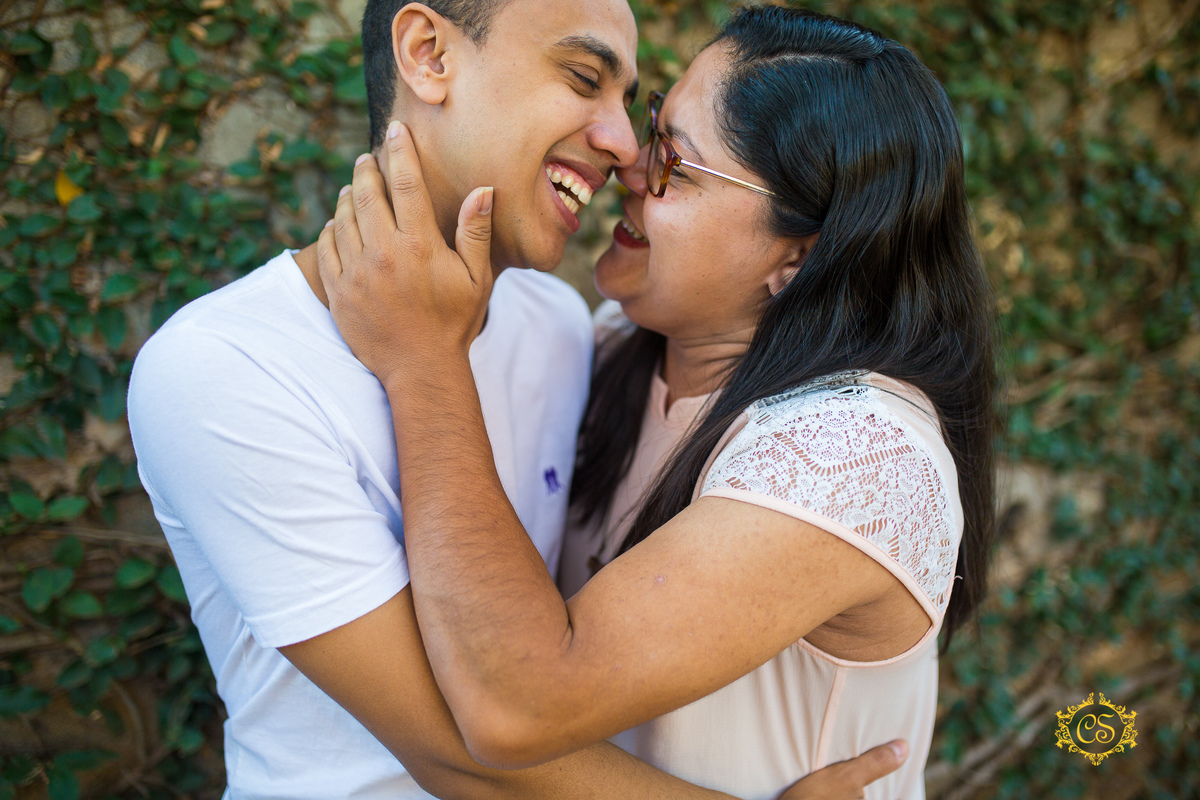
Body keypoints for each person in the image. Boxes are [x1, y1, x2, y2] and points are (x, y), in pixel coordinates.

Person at [128, 0, 905, 797]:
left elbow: (539, 667)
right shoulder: (225, 367)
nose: (625, 147)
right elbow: (456, 751)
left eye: (628, 105)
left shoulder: (561, 326)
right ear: (429, 55)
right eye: (583, 78)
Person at [316, 5, 999, 800]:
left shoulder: (856, 458)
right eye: (654, 130)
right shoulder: (612, 346)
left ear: (799, 257)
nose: (628, 165)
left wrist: (426, 362)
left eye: (675, 163)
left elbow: (520, 704)